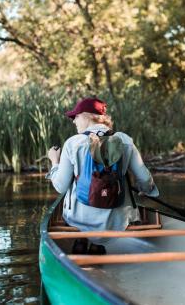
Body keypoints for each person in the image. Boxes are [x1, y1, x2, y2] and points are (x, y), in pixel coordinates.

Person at [47, 97, 159, 254]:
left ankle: (82, 238)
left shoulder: (73, 143)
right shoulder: (125, 141)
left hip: (79, 219)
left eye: (76, 116)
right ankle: (96, 244)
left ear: (87, 116)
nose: (73, 121)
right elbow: (145, 179)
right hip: (116, 221)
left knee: (74, 186)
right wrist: (145, 189)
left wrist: (54, 162)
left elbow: (60, 186)